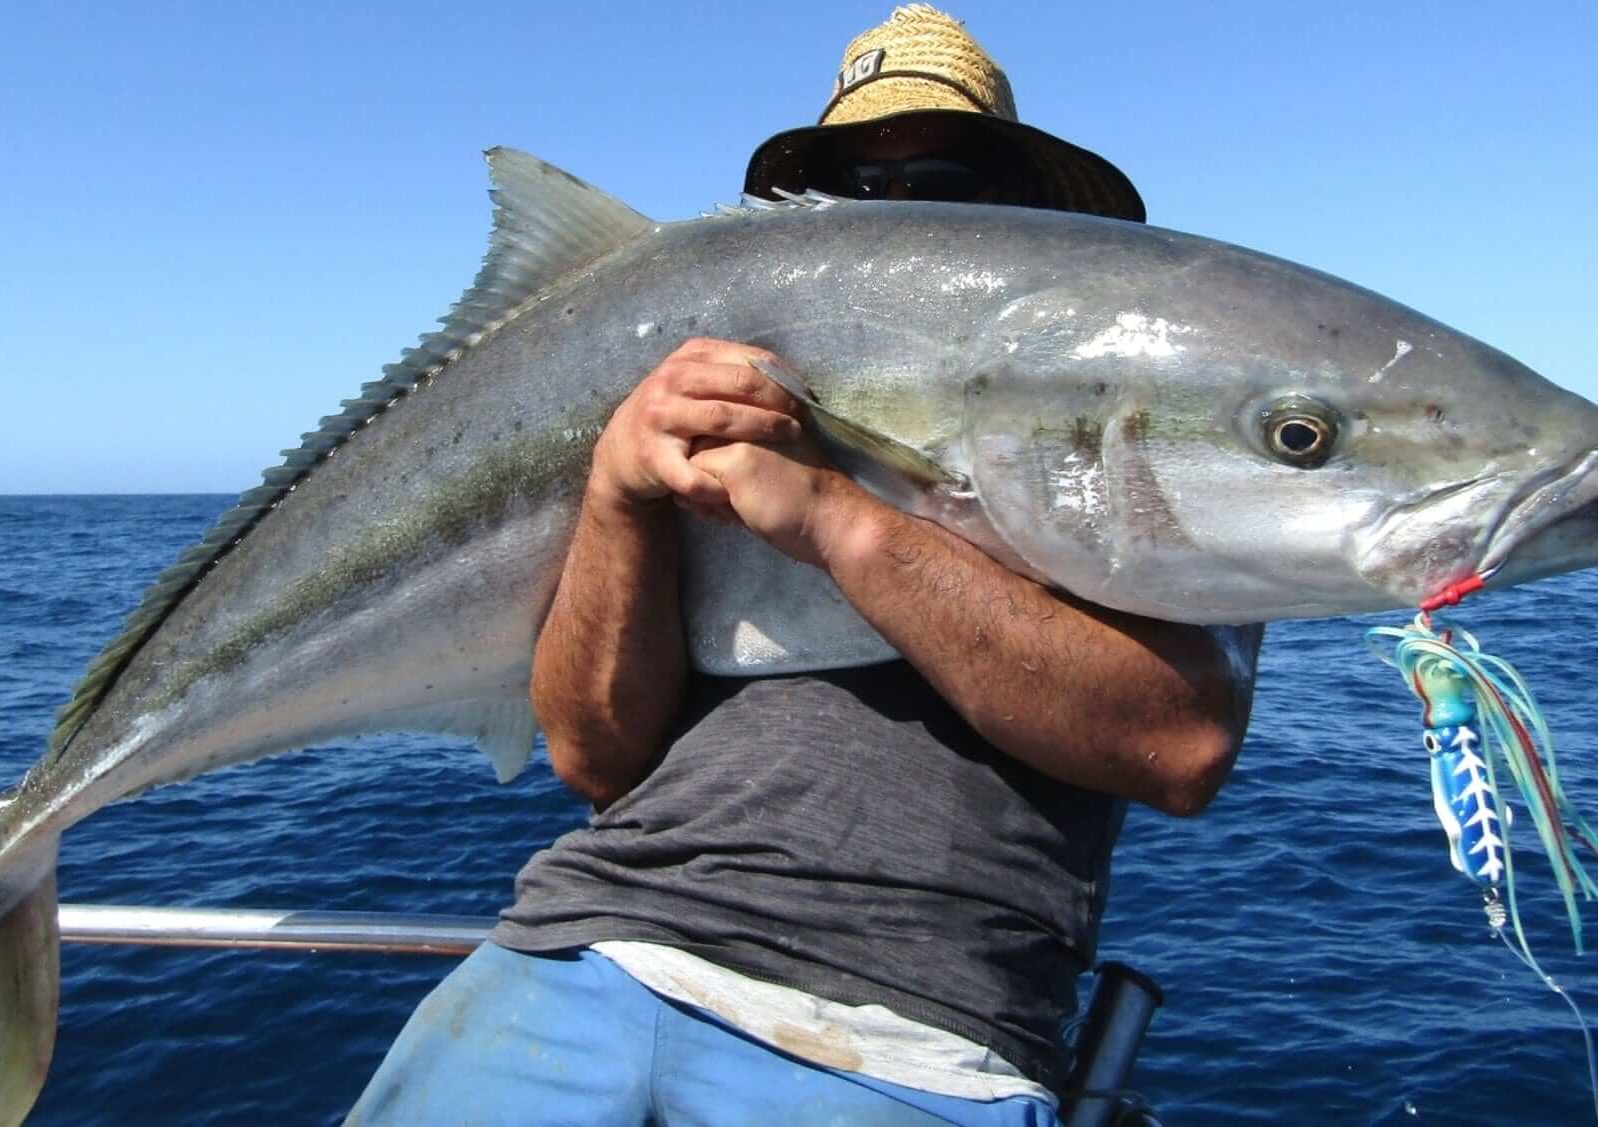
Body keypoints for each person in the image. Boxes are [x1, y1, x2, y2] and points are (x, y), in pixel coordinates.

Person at [346, 7, 1261, 1124]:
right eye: (850, 184)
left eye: (947, 173)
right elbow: (591, 756)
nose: (895, 208)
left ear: (1020, 206)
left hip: (900, 1036)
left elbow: (1178, 745)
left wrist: (837, 517)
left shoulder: (1120, 439)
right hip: (572, 957)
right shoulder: (704, 416)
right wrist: (619, 493)